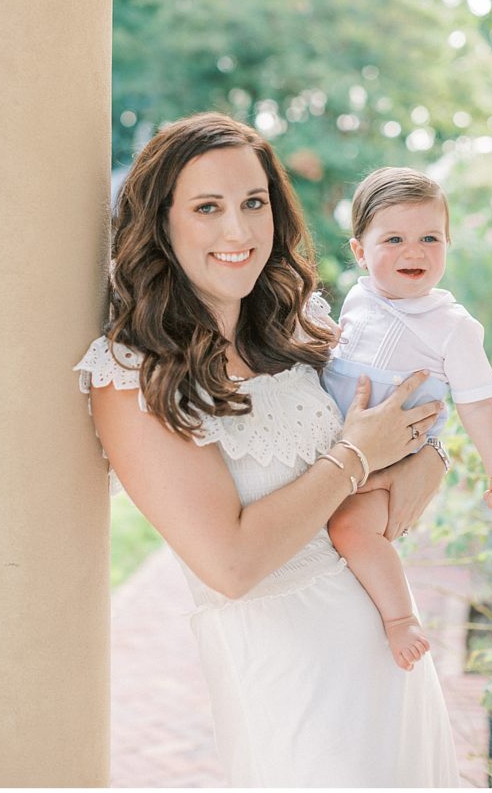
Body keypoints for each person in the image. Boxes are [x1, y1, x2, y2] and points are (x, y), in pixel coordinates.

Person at [74, 114, 460, 787]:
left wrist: (433, 459)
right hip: (294, 685)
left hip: (392, 662)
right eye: (207, 208)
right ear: (161, 224)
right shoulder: (133, 374)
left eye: (254, 203)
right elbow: (231, 562)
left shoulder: (301, 320)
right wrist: (356, 460)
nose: (239, 231)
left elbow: (398, 422)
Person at [324, 167, 492, 673]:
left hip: (389, 469)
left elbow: (477, 403)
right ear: (360, 252)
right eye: (394, 238)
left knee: (350, 530)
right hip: (334, 455)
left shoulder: (453, 327)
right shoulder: (357, 299)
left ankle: (400, 619)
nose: (415, 251)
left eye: (430, 238)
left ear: (448, 245)